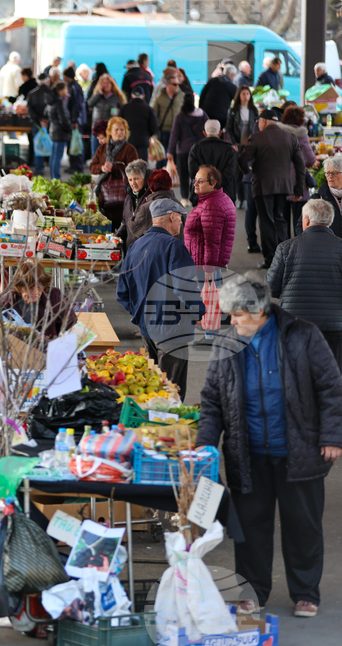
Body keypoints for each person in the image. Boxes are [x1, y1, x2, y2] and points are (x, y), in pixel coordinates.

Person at [196, 272, 342, 619]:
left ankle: (306, 592)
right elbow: (212, 401)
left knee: (302, 525)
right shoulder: (226, 344)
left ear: (260, 311)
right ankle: (252, 591)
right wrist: (206, 444)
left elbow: (331, 388)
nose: (233, 322)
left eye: (238, 314)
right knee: (249, 526)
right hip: (247, 453)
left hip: (299, 451)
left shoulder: (303, 335)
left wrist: (333, 436)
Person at [116, 197, 200, 397]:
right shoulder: (174, 247)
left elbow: (122, 292)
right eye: (180, 217)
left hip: (146, 328)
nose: (181, 222)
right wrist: (197, 312)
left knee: (153, 388)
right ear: (172, 217)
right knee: (172, 391)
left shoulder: (135, 246)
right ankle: (170, 427)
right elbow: (185, 287)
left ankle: (153, 426)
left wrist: (140, 312)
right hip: (172, 329)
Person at [266, 198, 342, 368]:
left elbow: (270, 286)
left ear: (306, 220)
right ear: (330, 220)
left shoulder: (286, 248)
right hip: (334, 326)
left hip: (294, 323)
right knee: (332, 377)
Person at [239, 110, 306, 269]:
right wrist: (298, 189)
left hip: (263, 186)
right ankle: (284, 257)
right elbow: (300, 165)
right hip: (284, 186)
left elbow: (242, 159)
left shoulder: (256, 137)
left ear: (263, 121)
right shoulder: (290, 137)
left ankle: (270, 260)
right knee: (281, 220)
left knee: (267, 221)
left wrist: (248, 171)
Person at [0, 258, 77, 339]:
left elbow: (70, 323)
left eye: (39, 286)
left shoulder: (55, 296)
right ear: (19, 286)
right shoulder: (6, 302)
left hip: (48, 349)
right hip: (17, 349)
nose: (35, 292)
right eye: (30, 287)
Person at [184, 164, 236, 282]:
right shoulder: (216, 199)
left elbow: (212, 242)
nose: (195, 184)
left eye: (200, 181)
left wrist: (209, 269)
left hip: (204, 266)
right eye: (195, 180)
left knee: (208, 298)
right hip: (207, 263)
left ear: (213, 183)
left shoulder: (211, 206)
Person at [90, 117, 139, 229]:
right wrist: (102, 168)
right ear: (110, 132)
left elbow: (135, 171)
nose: (119, 132)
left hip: (123, 197)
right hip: (103, 196)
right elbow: (92, 167)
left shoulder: (129, 149)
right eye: (116, 130)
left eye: (122, 130)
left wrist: (115, 167)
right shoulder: (102, 149)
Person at [280, 107, 318, 235]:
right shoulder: (302, 135)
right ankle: (297, 250)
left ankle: (283, 249)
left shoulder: (279, 134)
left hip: (281, 182)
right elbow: (310, 160)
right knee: (299, 222)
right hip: (298, 182)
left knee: (282, 220)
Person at [226, 86, 259, 229]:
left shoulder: (254, 110)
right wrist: (233, 143)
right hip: (238, 144)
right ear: (239, 96)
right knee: (238, 172)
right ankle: (241, 198)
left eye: (248, 94)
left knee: (250, 171)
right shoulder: (233, 111)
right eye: (243, 94)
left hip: (250, 144)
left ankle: (247, 197)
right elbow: (229, 128)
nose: (246, 96)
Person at [168, 94, 209, 201]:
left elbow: (174, 135)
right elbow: (208, 130)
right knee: (199, 174)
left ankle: (185, 198)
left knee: (184, 174)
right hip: (199, 150)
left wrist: (170, 151)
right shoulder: (202, 114)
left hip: (183, 150)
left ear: (183, 102)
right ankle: (199, 196)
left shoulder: (180, 116)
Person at [189, 120, 239, 204]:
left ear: (204, 133)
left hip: (201, 195)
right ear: (220, 133)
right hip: (225, 194)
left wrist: (205, 184)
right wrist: (216, 185)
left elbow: (192, 172)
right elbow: (230, 172)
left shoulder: (196, 149)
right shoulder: (229, 149)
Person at [87, 74, 126, 155]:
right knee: (96, 153)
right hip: (97, 128)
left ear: (112, 84)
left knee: (108, 153)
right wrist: (98, 94)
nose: (105, 85)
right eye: (103, 83)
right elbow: (89, 104)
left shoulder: (117, 97)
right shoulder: (97, 96)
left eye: (107, 83)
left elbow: (123, 111)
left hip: (110, 129)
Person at [119, 87, 158, 161]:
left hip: (128, 140)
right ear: (143, 96)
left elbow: (119, 123)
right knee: (142, 164)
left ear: (131, 95)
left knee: (129, 163)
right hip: (143, 140)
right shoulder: (149, 109)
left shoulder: (124, 108)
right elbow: (154, 126)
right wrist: (148, 135)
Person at [27, 73, 55, 173]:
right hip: (51, 124)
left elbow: (30, 111)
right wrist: (47, 120)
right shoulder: (53, 93)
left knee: (38, 146)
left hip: (37, 124)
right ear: (47, 80)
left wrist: (39, 120)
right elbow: (55, 108)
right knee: (51, 146)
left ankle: (39, 169)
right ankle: (52, 168)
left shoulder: (32, 94)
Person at [62, 67, 87, 174]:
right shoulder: (72, 86)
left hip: (76, 121)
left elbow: (77, 105)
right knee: (72, 143)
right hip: (73, 120)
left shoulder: (75, 88)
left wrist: (75, 120)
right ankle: (73, 165)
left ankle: (78, 166)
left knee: (76, 143)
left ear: (67, 77)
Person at [198, 64, 238, 129]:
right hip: (221, 117)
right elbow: (238, 101)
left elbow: (202, 95)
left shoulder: (212, 81)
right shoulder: (231, 86)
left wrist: (201, 110)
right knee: (218, 134)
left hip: (206, 114)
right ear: (232, 75)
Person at [316, 153, 342, 238]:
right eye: (328, 173)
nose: (330, 176)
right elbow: (301, 226)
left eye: (334, 173)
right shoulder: (318, 198)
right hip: (328, 248)